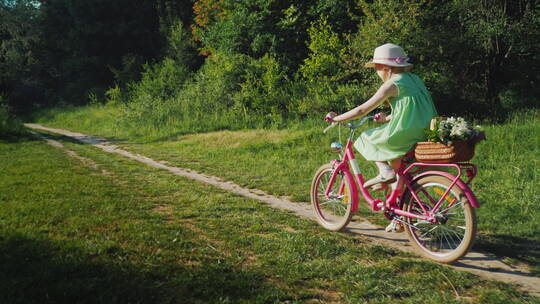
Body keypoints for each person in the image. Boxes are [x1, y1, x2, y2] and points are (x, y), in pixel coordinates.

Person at [325, 43, 437, 230]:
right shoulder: (414, 79)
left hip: (405, 133)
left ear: (386, 68)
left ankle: (384, 173)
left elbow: (362, 110)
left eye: (376, 67)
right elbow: (414, 108)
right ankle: (398, 217)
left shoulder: (392, 84)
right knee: (401, 171)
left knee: (366, 138)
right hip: (426, 130)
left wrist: (337, 118)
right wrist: (389, 117)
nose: (376, 71)